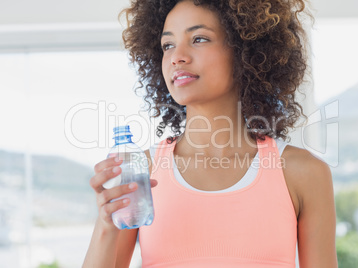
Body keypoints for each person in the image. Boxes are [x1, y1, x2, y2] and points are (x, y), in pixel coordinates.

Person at [83, 0, 338, 267]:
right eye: (167, 45)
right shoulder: (141, 171)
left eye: (199, 39)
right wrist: (106, 225)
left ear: (246, 51)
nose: (176, 56)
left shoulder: (303, 172)